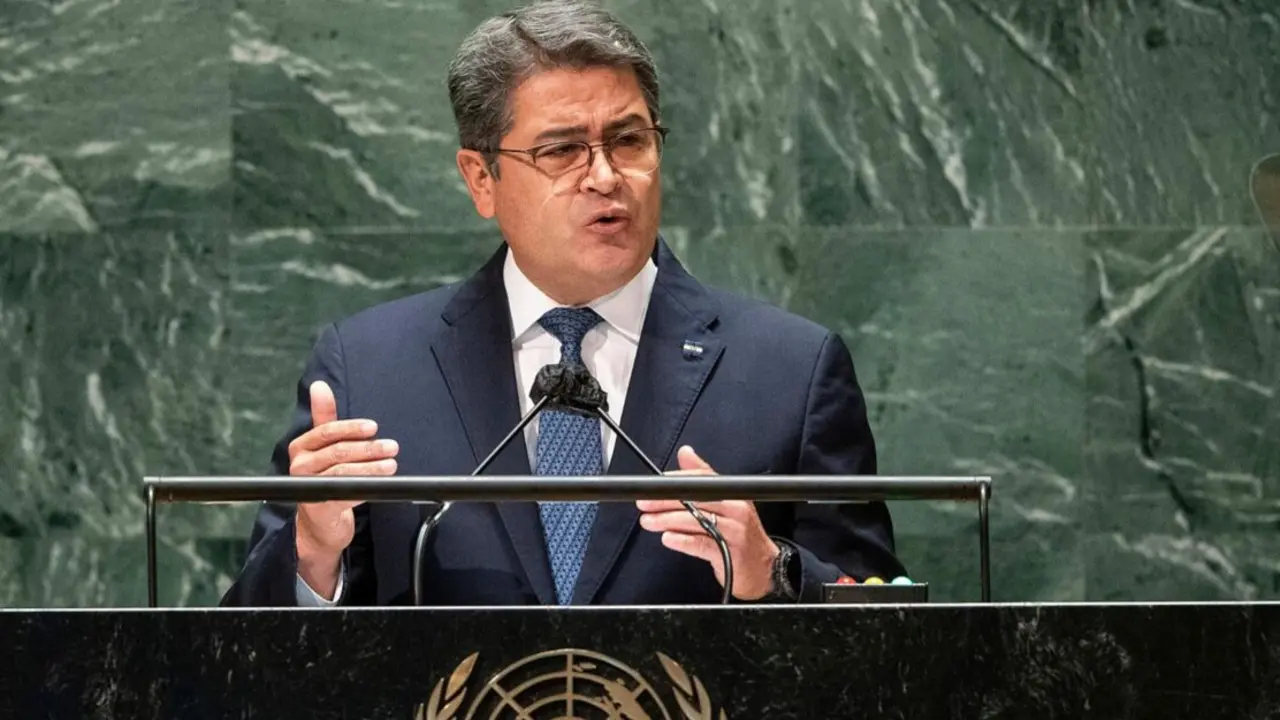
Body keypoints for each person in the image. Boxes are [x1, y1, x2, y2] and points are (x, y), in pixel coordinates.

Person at [220, 0, 904, 608]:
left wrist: (772, 571)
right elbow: (235, 655)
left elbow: (890, 640)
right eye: (563, 150)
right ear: (480, 178)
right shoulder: (370, 371)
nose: (605, 176)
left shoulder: (792, 371)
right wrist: (314, 556)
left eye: (629, 140)